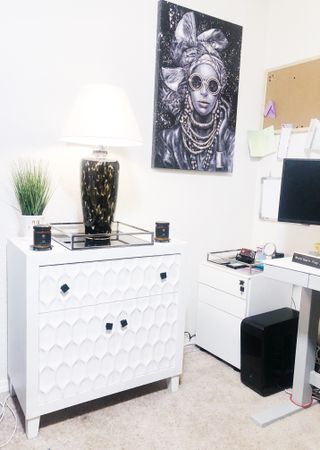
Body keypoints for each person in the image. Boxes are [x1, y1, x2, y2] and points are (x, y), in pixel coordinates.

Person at [153, 12, 235, 171]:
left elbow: (225, 173)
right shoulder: (168, 139)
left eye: (212, 86)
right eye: (197, 82)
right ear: (187, 86)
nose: (204, 92)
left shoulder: (229, 139)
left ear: (219, 92)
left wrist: (219, 141)